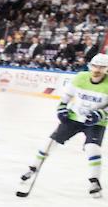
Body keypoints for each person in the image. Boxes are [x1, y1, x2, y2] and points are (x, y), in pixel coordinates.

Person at [19, 52, 108, 198]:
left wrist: (101, 114)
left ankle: (94, 181)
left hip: (96, 122)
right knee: (50, 143)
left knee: (92, 149)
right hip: (73, 118)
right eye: (95, 66)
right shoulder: (81, 77)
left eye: (102, 67)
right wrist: (62, 108)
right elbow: (66, 96)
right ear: (90, 66)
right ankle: (33, 168)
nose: (97, 70)